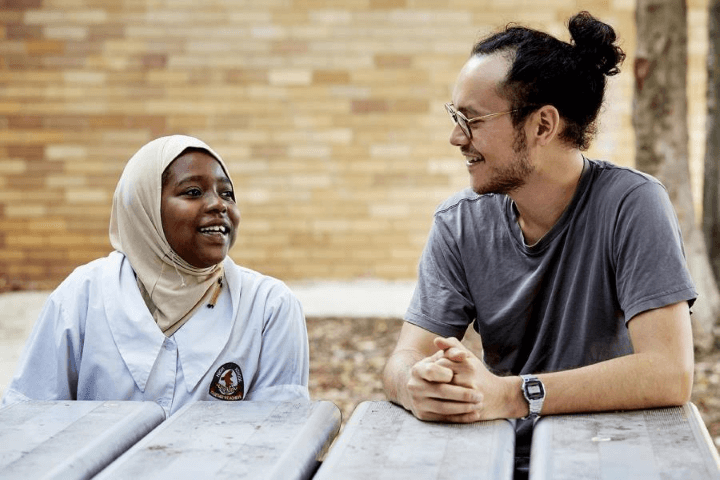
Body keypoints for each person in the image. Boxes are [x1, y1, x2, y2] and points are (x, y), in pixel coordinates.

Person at [382, 11, 696, 477]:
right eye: (455, 118)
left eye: (471, 120)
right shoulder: (458, 223)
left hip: (607, 456)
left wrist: (509, 394)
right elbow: (404, 358)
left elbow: (669, 373)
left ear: (542, 126)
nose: (455, 138)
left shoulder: (632, 204)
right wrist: (417, 385)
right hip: (495, 457)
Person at [2, 135, 309, 415]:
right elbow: (30, 418)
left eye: (227, 194)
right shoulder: (83, 295)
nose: (219, 204)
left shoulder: (270, 306)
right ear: (144, 207)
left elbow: (277, 433)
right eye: (193, 191)